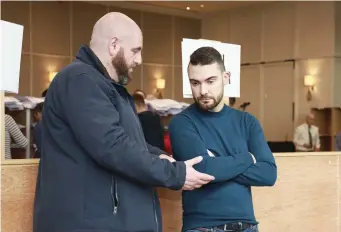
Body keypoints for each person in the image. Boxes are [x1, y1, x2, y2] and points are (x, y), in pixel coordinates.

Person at [33, 12, 214, 232]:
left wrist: (159, 156)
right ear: (114, 45)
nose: (139, 60)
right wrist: (175, 174)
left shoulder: (106, 87)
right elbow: (112, 145)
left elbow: (125, 140)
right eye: (135, 50)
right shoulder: (81, 79)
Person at [169, 47, 277, 232]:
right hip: (203, 227)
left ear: (226, 77)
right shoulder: (181, 123)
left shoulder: (247, 121)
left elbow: (268, 173)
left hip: (247, 226)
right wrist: (246, 158)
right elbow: (204, 169)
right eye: (195, 83)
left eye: (210, 81)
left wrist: (218, 163)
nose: (203, 91)